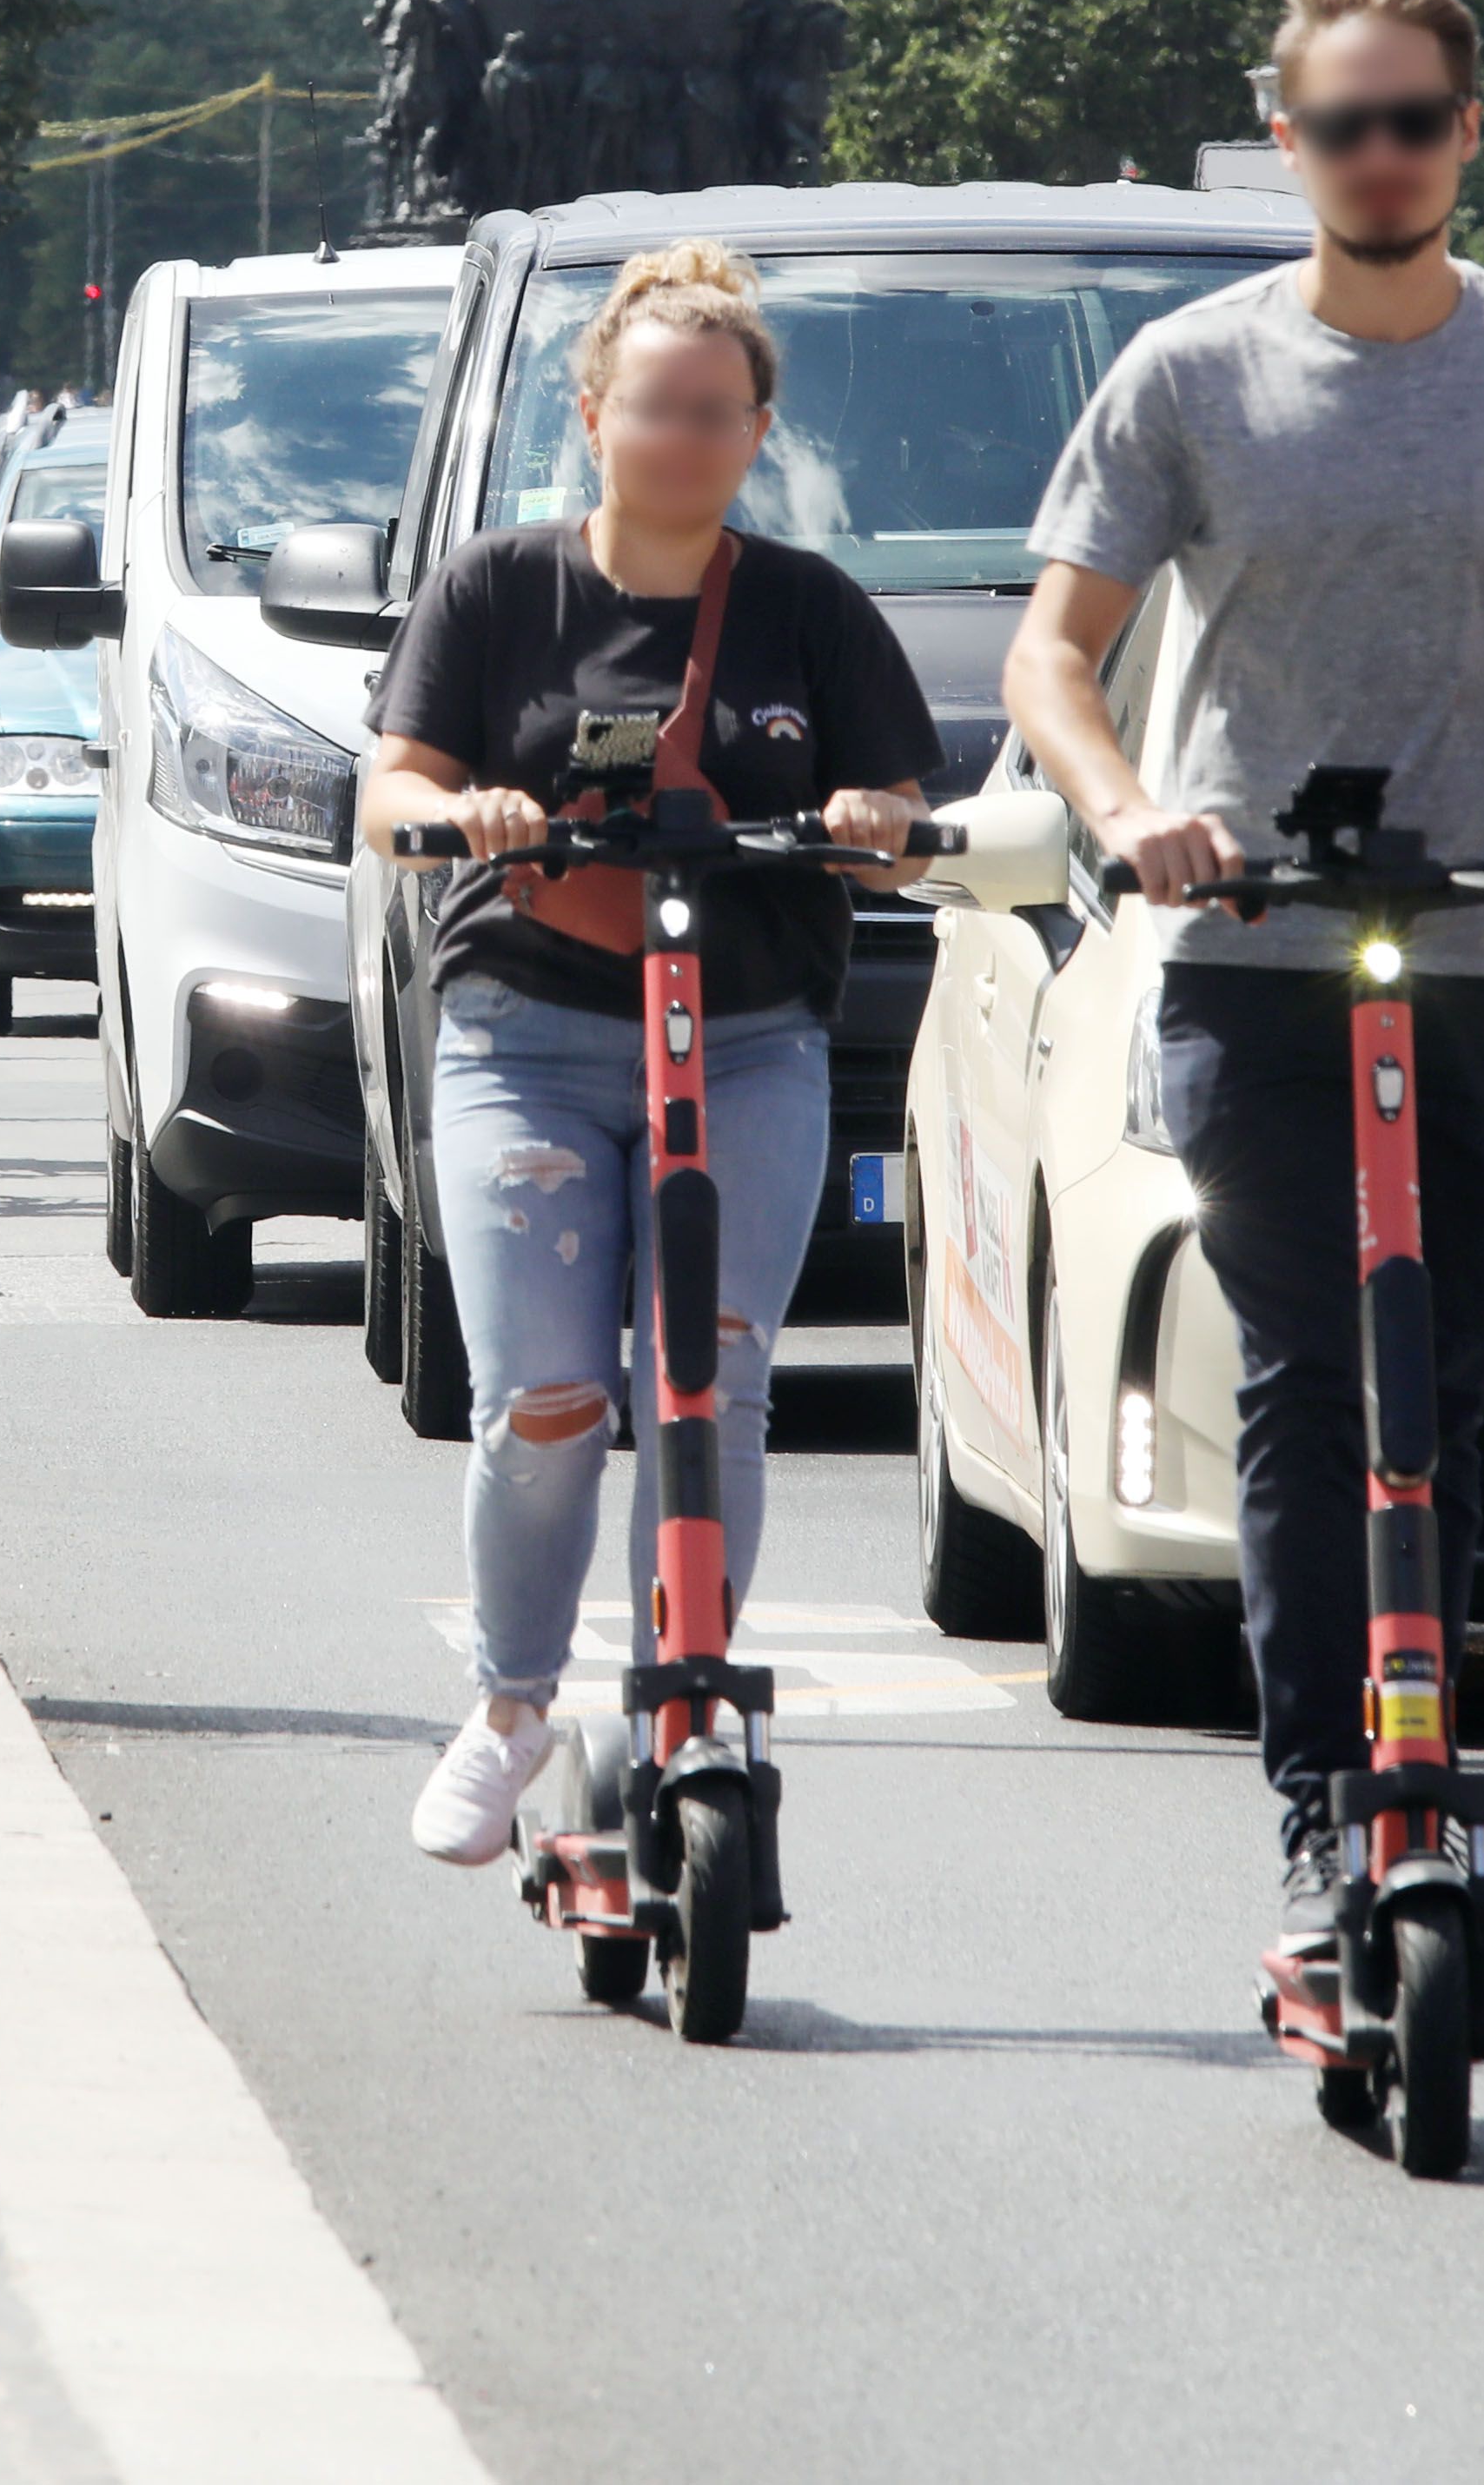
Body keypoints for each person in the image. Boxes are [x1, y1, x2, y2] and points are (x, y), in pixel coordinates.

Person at [997, 0, 1484, 1952]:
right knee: (1316, 1377)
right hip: (1249, 952)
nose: (1376, 157)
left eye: (1412, 122)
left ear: (1465, 136)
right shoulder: (1190, 373)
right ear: (1285, 139)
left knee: (1438, 1384)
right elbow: (1060, 648)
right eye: (1337, 125)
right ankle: (1322, 1800)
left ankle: (1426, 1780)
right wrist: (1133, 813)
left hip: (1479, 945)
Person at [356, 241, 944, 1866]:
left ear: (758, 431)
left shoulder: (810, 613)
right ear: (592, 412)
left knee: (711, 1381)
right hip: (528, 1040)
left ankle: (687, 1688)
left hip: (746, 1039)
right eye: (651, 406)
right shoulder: (499, 588)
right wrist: (455, 808)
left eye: (714, 411)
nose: (680, 436)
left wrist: (873, 818)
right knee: (548, 1398)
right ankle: (510, 1702)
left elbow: (902, 827)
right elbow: (389, 785)